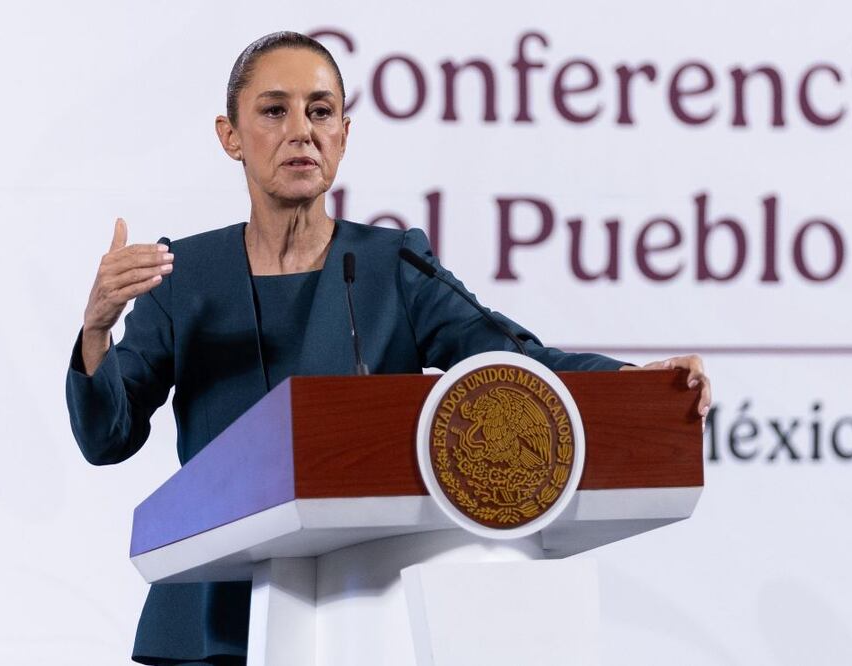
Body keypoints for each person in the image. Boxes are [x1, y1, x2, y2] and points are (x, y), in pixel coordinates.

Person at [66, 31, 711, 666]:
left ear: (343, 135)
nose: (301, 130)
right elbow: (107, 436)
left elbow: (509, 358)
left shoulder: (390, 265)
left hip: (358, 613)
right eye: (274, 110)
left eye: (321, 111)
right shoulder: (185, 275)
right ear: (229, 135)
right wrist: (98, 328)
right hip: (209, 617)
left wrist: (633, 382)